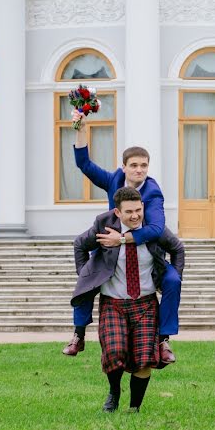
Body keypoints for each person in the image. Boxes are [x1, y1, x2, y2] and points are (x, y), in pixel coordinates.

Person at [63, 109, 179, 366]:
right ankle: (78, 335)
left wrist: (124, 239)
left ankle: (164, 340)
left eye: (144, 166)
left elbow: (157, 230)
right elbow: (84, 165)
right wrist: (81, 129)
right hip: (110, 234)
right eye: (134, 165)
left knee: (172, 279)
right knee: (88, 276)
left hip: (144, 239)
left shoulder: (153, 192)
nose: (139, 170)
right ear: (124, 166)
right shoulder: (114, 178)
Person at [70, 187, 185, 412]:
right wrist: (87, 275)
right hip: (113, 303)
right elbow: (79, 245)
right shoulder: (104, 225)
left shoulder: (153, 229)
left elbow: (177, 248)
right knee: (114, 351)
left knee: (145, 358)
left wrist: (174, 277)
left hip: (146, 303)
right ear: (117, 212)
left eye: (138, 210)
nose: (135, 216)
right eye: (129, 211)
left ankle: (134, 408)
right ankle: (114, 393)